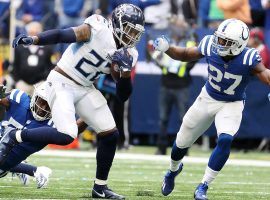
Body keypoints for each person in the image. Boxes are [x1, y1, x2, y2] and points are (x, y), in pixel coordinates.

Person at [1, 4, 145, 199]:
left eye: (136, 33)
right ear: (118, 24)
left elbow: (123, 96)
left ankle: (99, 187)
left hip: (85, 87)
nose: (132, 37)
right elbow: (63, 35)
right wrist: (35, 39)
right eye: (129, 30)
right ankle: (16, 136)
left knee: (110, 134)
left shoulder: (130, 54)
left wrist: (125, 72)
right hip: (62, 80)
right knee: (68, 134)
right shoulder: (97, 28)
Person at [151, 18, 270, 200]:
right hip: (207, 98)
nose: (219, 43)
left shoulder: (248, 57)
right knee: (180, 143)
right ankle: (172, 170)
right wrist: (168, 49)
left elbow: (265, 74)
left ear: (238, 44)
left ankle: (203, 186)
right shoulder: (210, 45)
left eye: (225, 41)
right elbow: (184, 54)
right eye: (219, 38)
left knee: (225, 140)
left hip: (232, 103)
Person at [0, 83, 87, 188]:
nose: (42, 108)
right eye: (41, 102)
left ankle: (33, 170)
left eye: (48, 105)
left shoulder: (53, 123)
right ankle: (33, 170)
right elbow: (4, 99)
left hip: (6, 162)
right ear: (35, 96)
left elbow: (73, 131)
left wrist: (88, 116)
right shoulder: (20, 99)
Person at [148, 26, 197, 155]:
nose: (178, 30)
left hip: (182, 85)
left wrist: (184, 67)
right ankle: (161, 147)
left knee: (183, 119)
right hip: (166, 84)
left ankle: (183, 149)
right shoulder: (166, 43)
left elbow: (194, 60)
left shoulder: (189, 44)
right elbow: (155, 57)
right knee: (163, 118)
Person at [12, 21, 54, 95]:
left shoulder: (47, 48)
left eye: (36, 33)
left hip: (41, 83)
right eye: (31, 33)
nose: (33, 36)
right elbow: (15, 64)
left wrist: (45, 80)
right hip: (23, 83)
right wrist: (17, 80)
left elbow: (51, 65)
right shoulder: (20, 48)